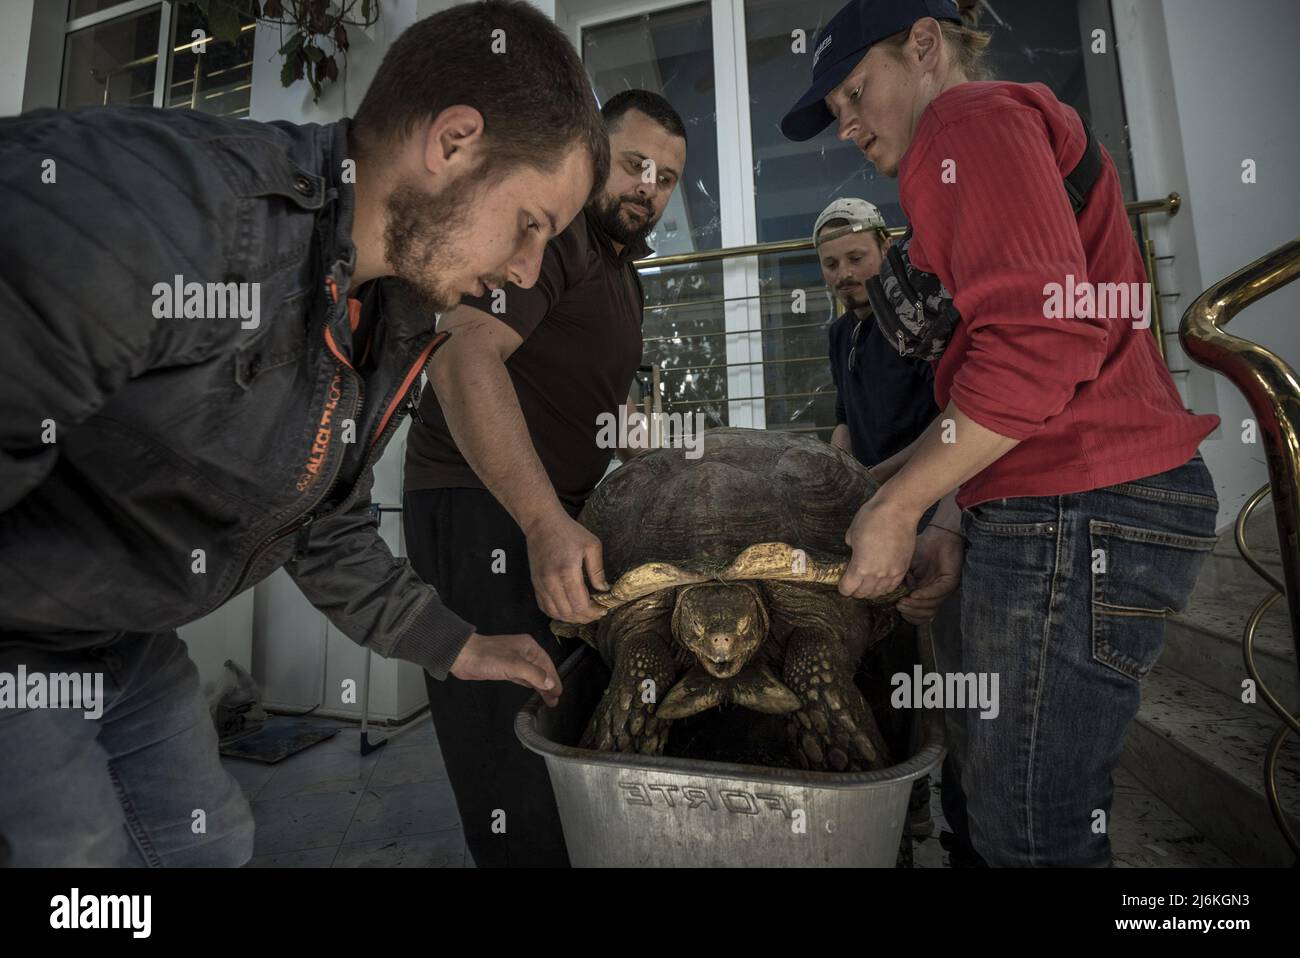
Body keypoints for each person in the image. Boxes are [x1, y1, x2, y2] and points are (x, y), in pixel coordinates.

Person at [0, 0, 608, 867]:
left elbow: (320, 521)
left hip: (121, 636)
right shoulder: (178, 208)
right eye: (531, 224)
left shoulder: (389, 315)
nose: (525, 270)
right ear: (454, 142)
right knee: (74, 857)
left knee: (203, 844)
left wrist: (455, 645)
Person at [782, 0, 1219, 866]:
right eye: (837, 111)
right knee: (994, 812)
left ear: (925, 43)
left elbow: (1040, 344)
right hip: (1060, 497)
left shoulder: (964, 119)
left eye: (857, 91)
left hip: (1083, 499)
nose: (849, 124)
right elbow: (1005, 382)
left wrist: (897, 507)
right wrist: (933, 508)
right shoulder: (991, 132)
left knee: (1030, 835)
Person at [401, 91, 688, 867]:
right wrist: (541, 521)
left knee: (559, 713)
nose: (647, 187)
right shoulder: (554, 240)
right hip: (478, 503)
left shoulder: (624, 271)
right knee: (506, 741)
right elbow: (463, 356)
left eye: (665, 178)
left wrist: (649, 456)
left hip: (552, 511)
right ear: (594, 151)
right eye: (634, 164)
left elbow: (586, 394)